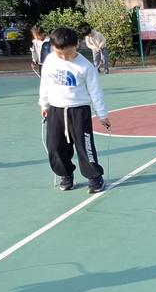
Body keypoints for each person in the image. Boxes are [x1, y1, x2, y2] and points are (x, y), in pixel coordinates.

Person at [39, 27, 111, 193]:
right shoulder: (50, 61)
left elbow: (96, 91)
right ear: (53, 47)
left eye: (69, 54)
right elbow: (45, 84)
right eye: (60, 54)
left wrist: (102, 114)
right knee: (55, 146)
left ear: (76, 45)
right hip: (56, 110)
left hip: (79, 111)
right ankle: (66, 174)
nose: (65, 57)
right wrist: (44, 104)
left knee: (85, 147)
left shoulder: (85, 66)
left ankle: (94, 177)